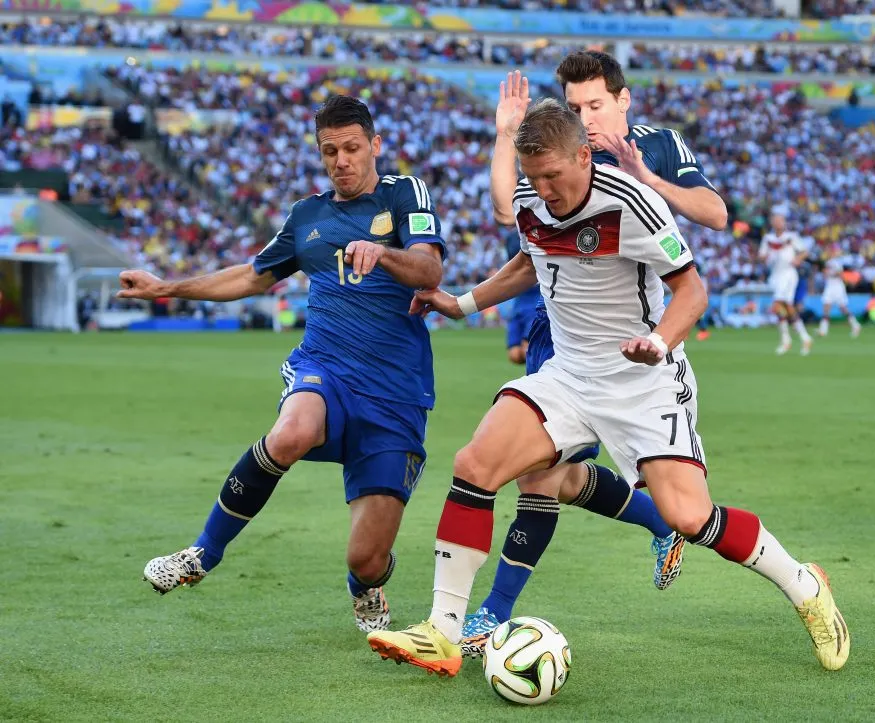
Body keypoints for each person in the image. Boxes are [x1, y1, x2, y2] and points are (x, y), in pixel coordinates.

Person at [367, 99, 850, 677]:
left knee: (689, 517)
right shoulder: (530, 201)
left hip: (643, 381)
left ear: (583, 156)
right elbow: (528, 260)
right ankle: (442, 635)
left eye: (553, 175)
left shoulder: (633, 204)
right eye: (533, 177)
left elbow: (692, 294)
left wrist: (661, 342)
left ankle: (805, 586)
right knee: (475, 463)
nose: (544, 189)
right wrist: (463, 302)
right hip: (569, 376)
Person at [116, 95, 446, 633]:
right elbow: (251, 276)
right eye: (329, 150)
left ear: (376, 146)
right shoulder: (307, 216)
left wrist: (382, 251)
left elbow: (429, 270)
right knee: (292, 431)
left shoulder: (405, 194)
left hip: (396, 394)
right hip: (326, 369)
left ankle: (366, 588)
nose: (341, 160)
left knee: (366, 558)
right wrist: (166, 288)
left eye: (352, 148)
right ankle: (202, 554)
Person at [459, 53, 729, 657]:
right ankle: (655, 523)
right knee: (548, 473)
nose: (585, 116)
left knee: (544, 476)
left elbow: (715, 214)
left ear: (623, 100)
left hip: (626, 337)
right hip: (557, 324)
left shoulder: (654, 145)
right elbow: (508, 212)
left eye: (595, 105)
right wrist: (506, 135)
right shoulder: (554, 148)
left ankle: (491, 614)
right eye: (575, 106)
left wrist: (644, 175)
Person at [759, 212, 813, 356]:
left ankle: (786, 339)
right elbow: (762, 255)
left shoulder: (791, 237)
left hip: (788, 274)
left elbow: (804, 252)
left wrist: (797, 259)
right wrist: (765, 257)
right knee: (787, 307)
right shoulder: (768, 238)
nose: (778, 223)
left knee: (777, 304)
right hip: (775, 275)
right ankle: (803, 337)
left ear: (784, 223)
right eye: (775, 221)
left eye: (780, 221)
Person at [502, 227, 541, 365]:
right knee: (515, 355)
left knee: (528, 348)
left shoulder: (538, 228)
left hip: (538, 295)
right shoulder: (511, 237)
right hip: (520, 296)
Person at [819, 256, 862, 337]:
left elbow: (839, 273)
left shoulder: (836, 262)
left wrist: (829, 273)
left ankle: (855, 325)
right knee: (826, 307)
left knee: (842, 308)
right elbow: (825, 274)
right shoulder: (828, 262)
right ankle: (823, 330)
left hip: (837, 287)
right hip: (830, 286)